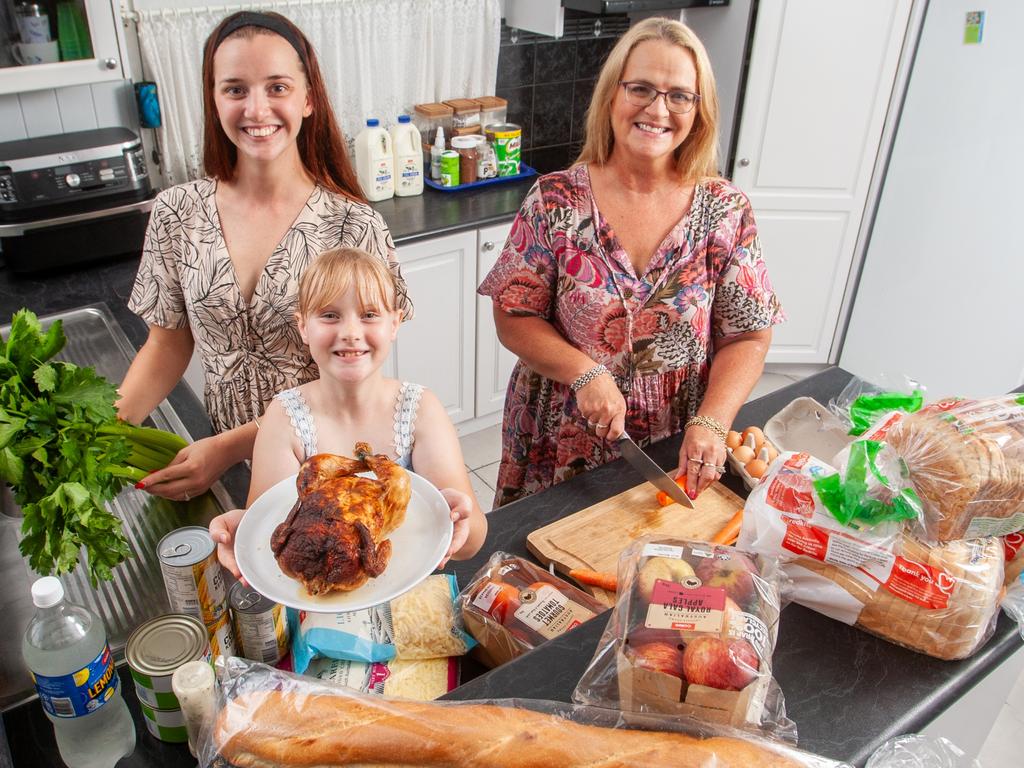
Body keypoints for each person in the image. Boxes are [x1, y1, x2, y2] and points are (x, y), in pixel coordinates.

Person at [478, 18, 784, 508]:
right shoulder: (555, 200)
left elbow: (748, 335)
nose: (657, 109)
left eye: (679, 95)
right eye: (640, 88)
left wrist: (712, 421)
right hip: (559, 434)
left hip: (678, 436)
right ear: (612, 96)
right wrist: (584, 371)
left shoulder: (726, 210)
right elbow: (514, 315)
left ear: (698, 110)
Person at [116, 11, 408, 502]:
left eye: (277, 87)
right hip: (219, 462)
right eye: (235, 89)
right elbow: (166, 345)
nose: (256, 109)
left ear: (308, 98)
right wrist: (98, 433)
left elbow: (360, 382)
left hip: (328, 466)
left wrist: (230, 447)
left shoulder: (354, 227)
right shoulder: (176, 213)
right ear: (213, 99)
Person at [210, 248, 487, 577]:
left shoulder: (421, 411)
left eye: (369, 315)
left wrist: (459, 519)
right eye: (329, 315)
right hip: (322, 599)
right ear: (302, 327)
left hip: (410, 589)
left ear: (394, 324)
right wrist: (245, 534)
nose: (350, 332)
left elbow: (472, 543)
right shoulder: (284, 418)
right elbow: (267, 532)